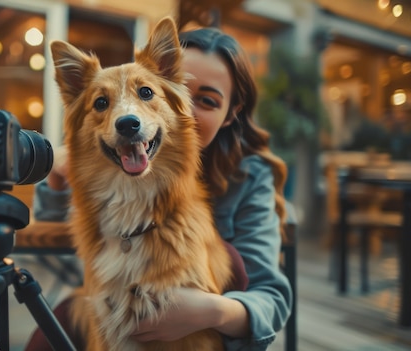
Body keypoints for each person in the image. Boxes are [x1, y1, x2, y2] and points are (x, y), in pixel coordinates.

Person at [27, 25, 292, 350]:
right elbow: (55, 236)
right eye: (180, 89)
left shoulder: (249, 176)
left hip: (204, 326)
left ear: (230, 114)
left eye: (206, 100)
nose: (184, 107)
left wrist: (210, 311)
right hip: (106, 307)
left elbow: (271, 300)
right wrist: (57, 173)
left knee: (232, 260)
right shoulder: (109, 172)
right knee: (57, 324)